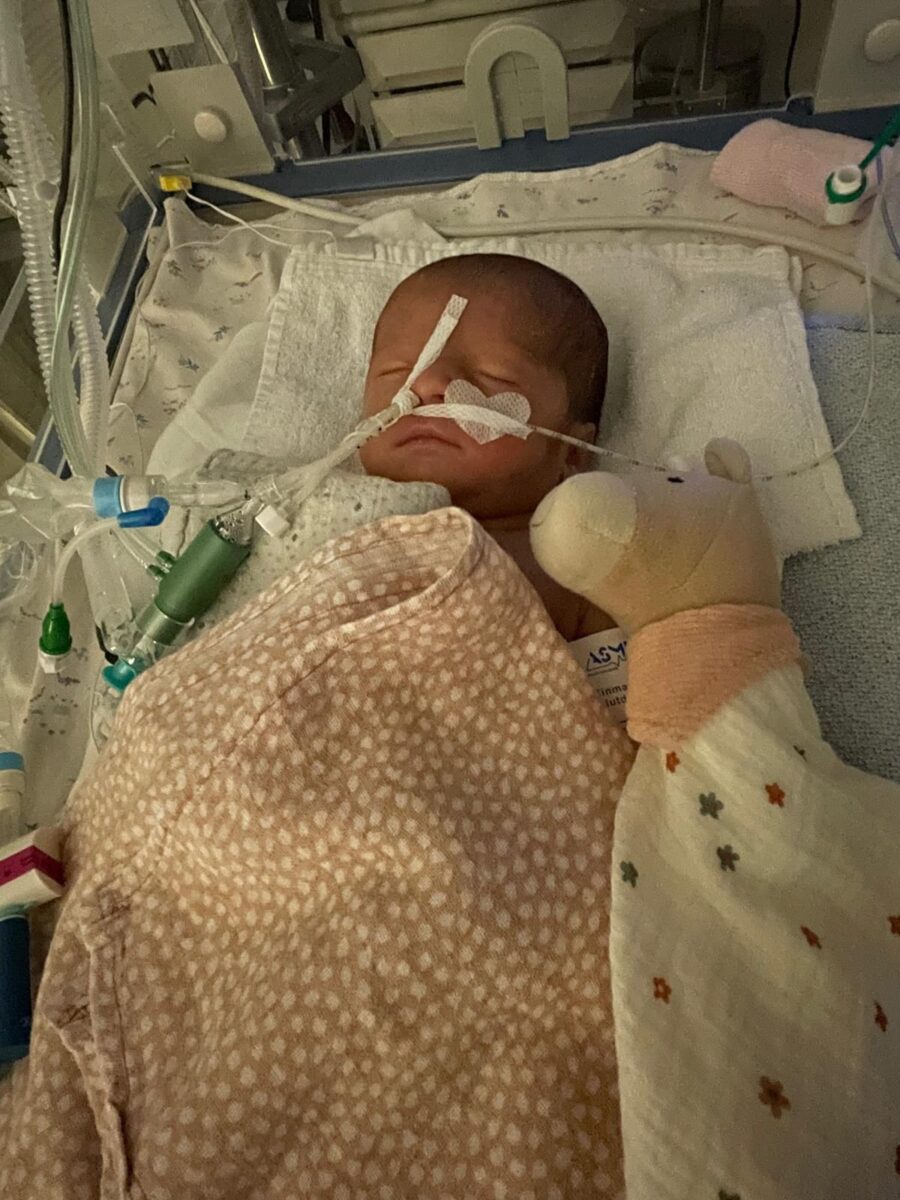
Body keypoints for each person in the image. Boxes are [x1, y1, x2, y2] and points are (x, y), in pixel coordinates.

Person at [359, 253, 614, 639]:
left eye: (493, 376)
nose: (426, 385)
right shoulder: (321, 515)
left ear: (572, 452)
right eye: (397, 373)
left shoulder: (571, 569)